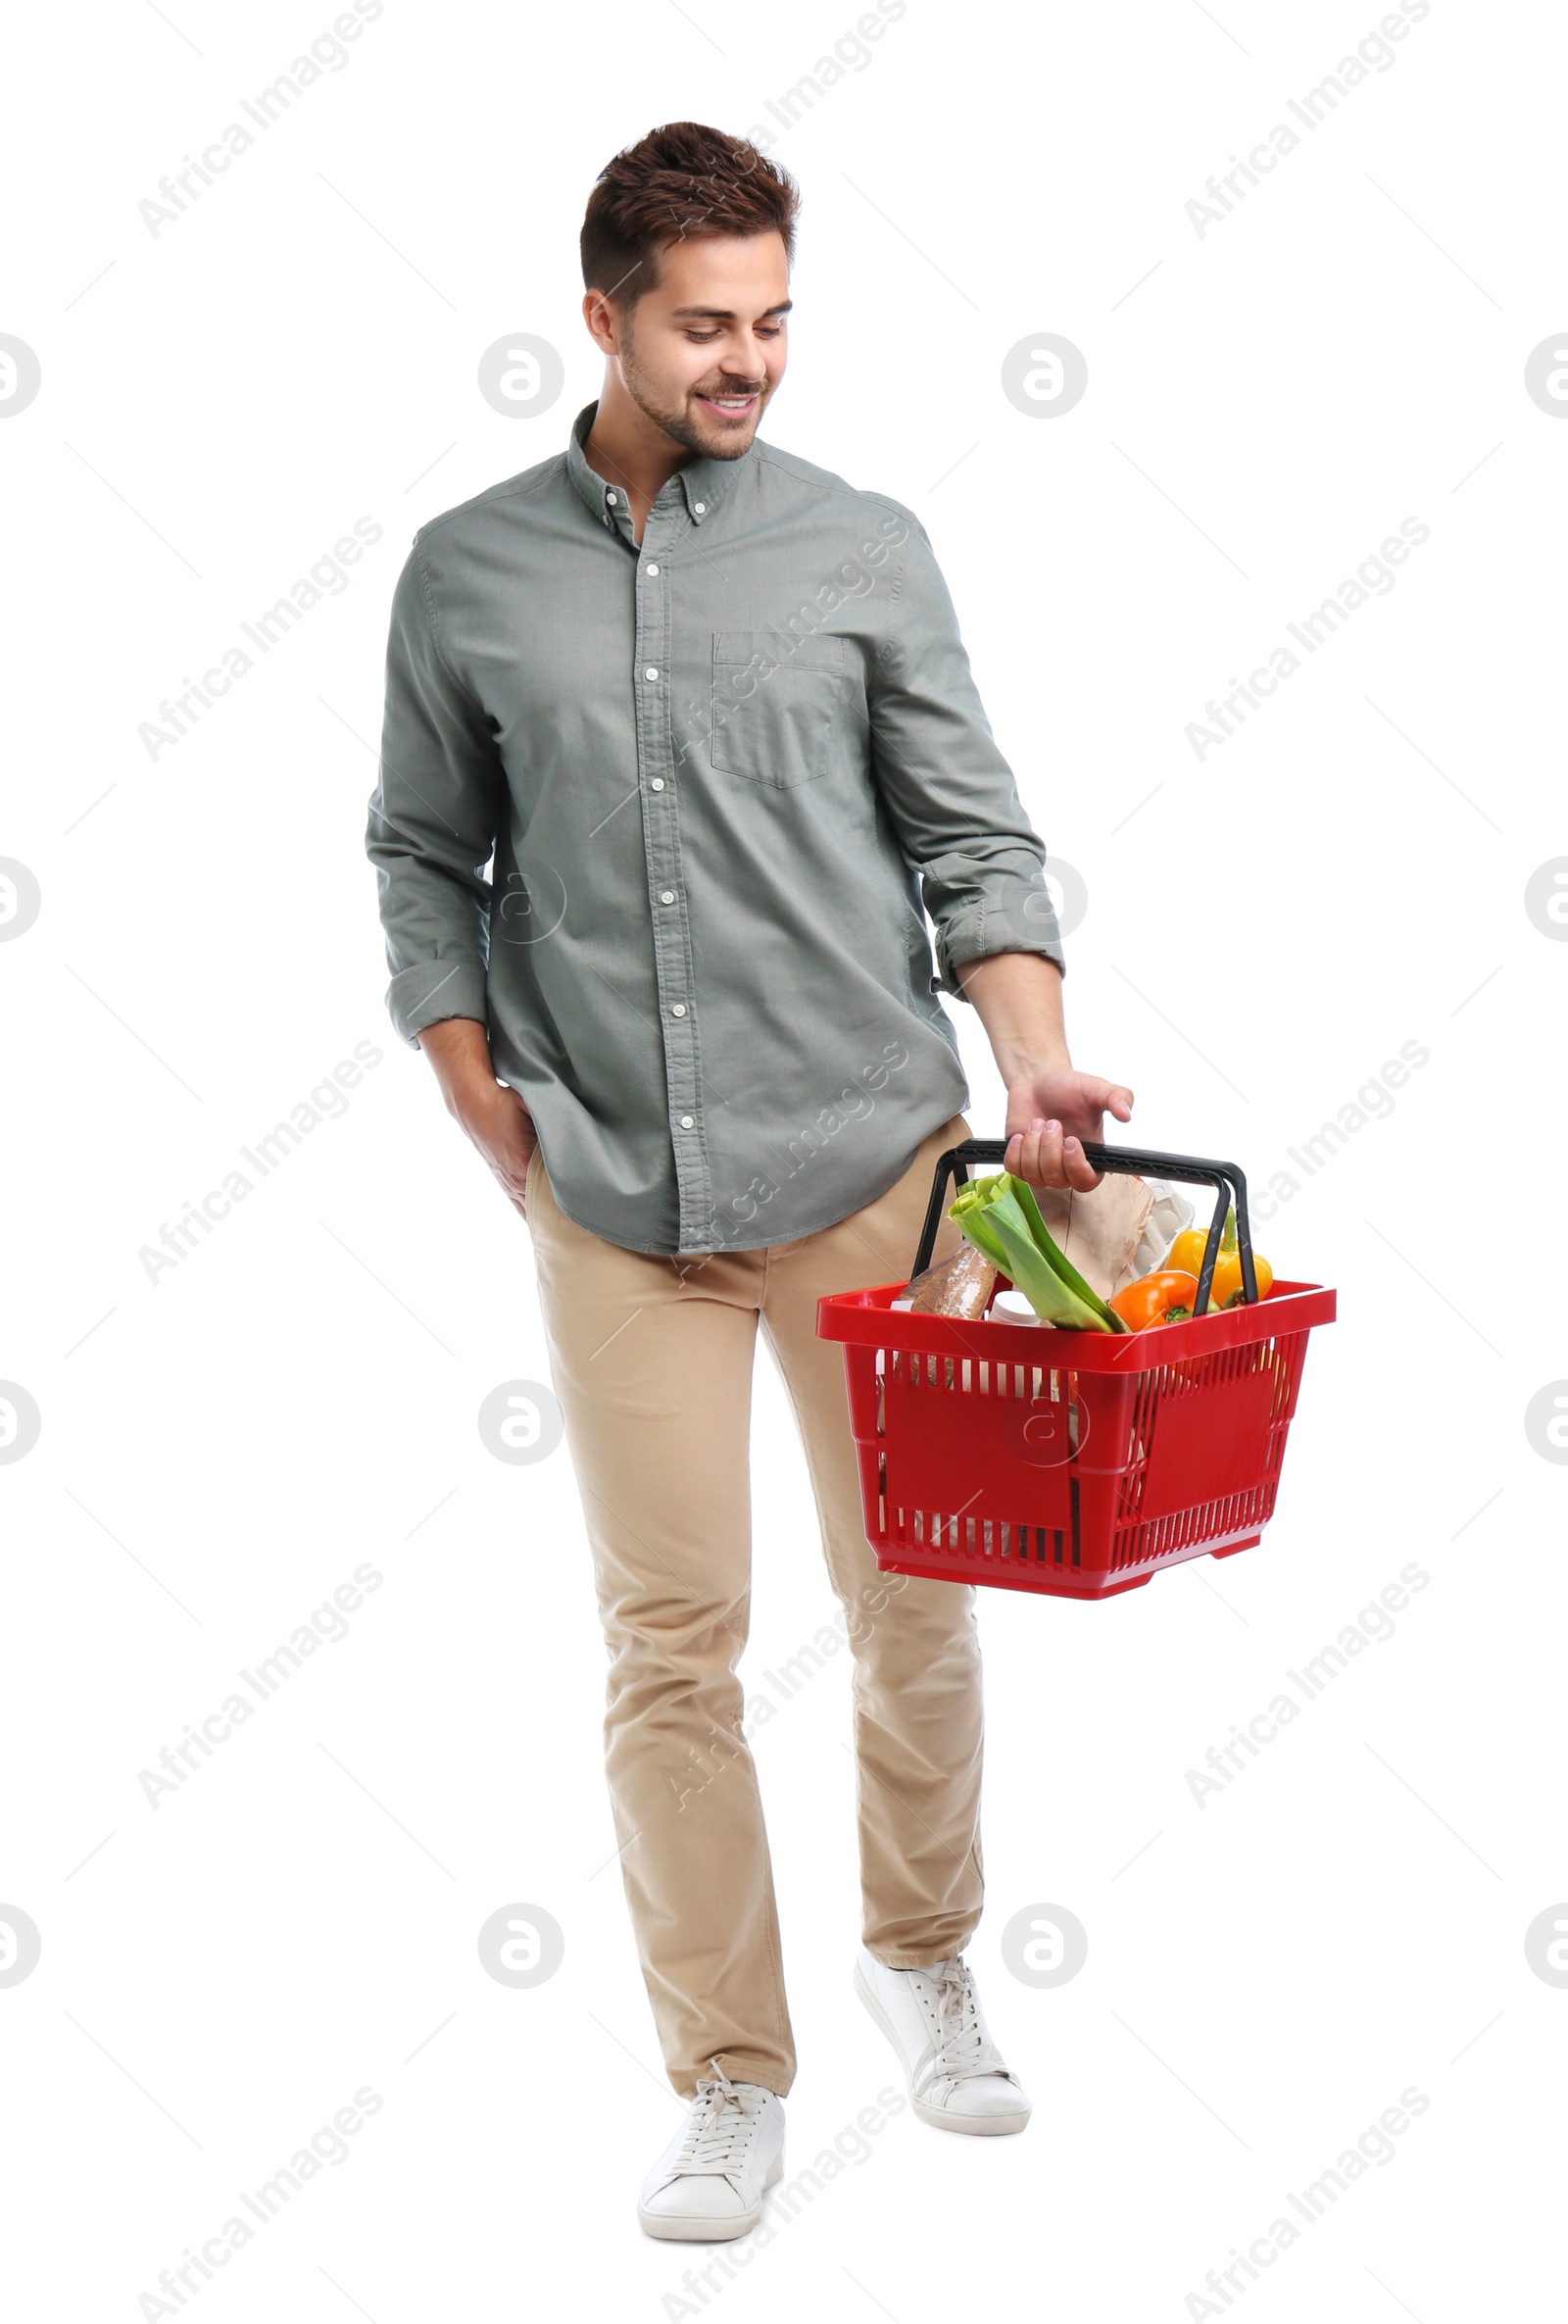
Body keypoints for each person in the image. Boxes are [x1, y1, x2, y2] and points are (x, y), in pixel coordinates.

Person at [366, 119, 1133, 2243]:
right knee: (668, 1640)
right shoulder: (464, 571)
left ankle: (921, 1951)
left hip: (865, 1164)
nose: (750, 360)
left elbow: (974, 839)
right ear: (597, 311)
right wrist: (463, 1076)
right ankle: (724, 2067)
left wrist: (1037, 1056)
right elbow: (424, 854)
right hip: (609, 1191)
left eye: (775, 318)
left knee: (912, 1596)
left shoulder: (862, 546)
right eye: (706, 323)